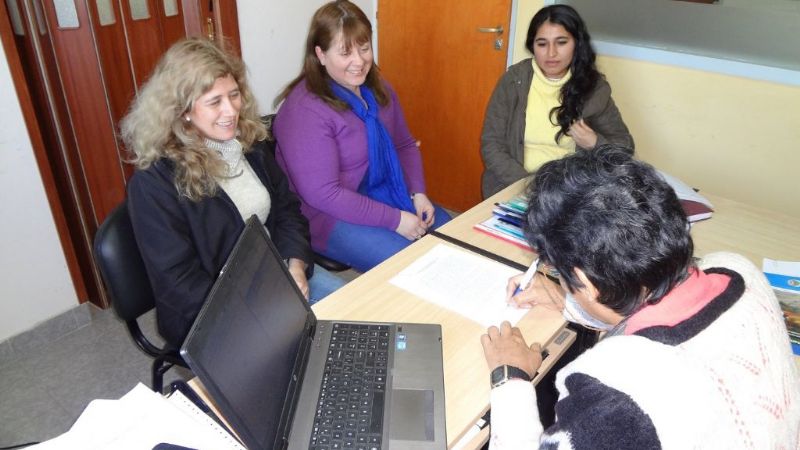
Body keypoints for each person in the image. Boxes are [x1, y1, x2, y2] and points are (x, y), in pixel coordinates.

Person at [481, 146, 800, 449]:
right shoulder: (736, 269)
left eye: (561, 275)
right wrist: (564, 300)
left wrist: (511, 376)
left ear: (587, 283)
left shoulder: (614, 397)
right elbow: (651, 310)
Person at [121, 38, 345, 349]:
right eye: (215, 102)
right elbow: (179, 284)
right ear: (183, 110)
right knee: (313, 355)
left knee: (359, 316)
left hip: (279, 275)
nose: (231, 111)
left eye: (234, 95)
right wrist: (258, 309)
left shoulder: (248, 145)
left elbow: (287, 209)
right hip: (215, 314)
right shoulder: (154, 185)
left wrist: (295, 265)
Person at [272, 0, 451, 272]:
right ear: (321, 55)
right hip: (325, 216)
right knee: (415, 265)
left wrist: (418, 192)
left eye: (364, 48)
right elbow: (324, 195)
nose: (359, 61)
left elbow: (404, 144)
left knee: (451, 234)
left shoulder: (379, 90)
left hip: (380, 193)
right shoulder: (304, 110)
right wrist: (395, 219)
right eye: (345, 53)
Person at [480, 4, 634, 198]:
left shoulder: (593, 89)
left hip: (569, 191)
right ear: (532, 46)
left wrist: (595, 142)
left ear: (577, 43)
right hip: (513, 185)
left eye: (561, 42)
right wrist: (529, 185)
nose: (551, 53)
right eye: (542, 44)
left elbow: (624, 148)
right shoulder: (513, 81)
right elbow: (491, 144)